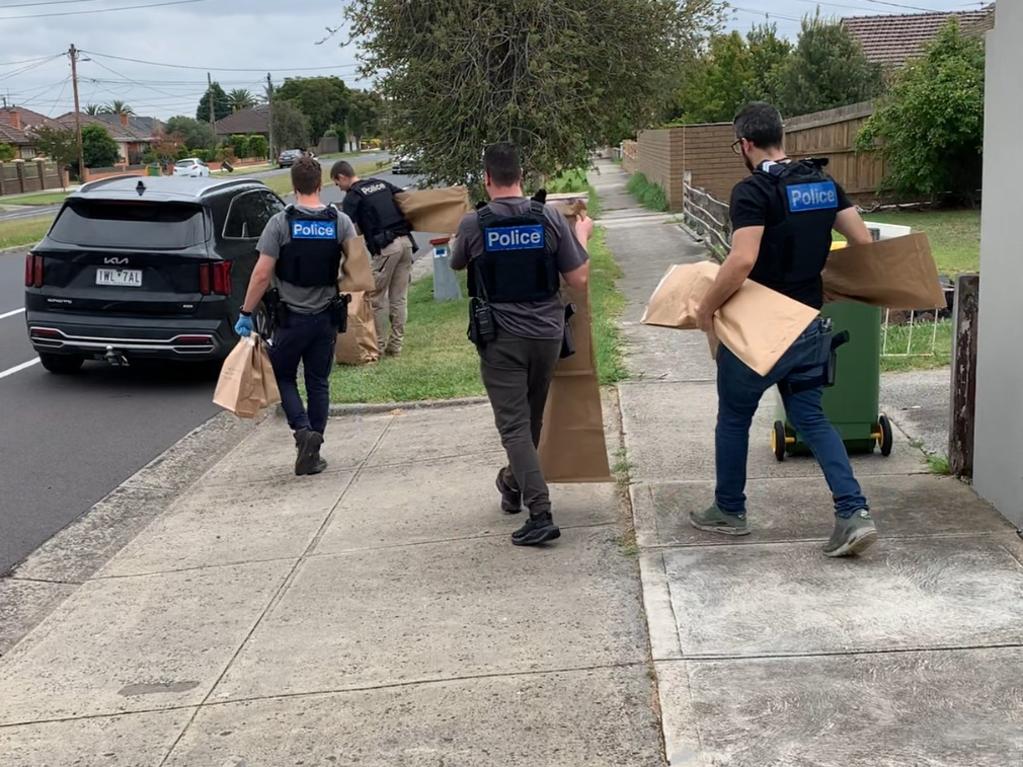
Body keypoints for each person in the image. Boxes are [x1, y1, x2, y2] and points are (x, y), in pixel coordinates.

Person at [691, 101, 878, 557]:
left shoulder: (753, 191)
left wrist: (705, 310)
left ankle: (729, 511)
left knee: (734, 418)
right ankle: (853, 513)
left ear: (745, 144)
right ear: (782, 137)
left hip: (760, 327)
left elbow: (742, 260)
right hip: (809, 323)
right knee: (812, 418)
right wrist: (822, 279)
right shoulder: (822, 182)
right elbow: (862, 241)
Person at [450, 142, 593, 546]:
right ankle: (512, 483)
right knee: (529, 421)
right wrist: (581, 235)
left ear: (487, 178)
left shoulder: (473, 223)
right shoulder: (547, 216)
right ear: (521, 175)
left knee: (514, 427)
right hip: (547, 335)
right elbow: (578, 278)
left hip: (501, 340)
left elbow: (457, 262)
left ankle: (540, 512)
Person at [235, 156, 357, 476]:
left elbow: (262, 274)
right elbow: (358, 268)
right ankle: (313, 448)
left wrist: (246, 312)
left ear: (293, 186)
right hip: (326, 318)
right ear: (320, 184)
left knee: (283, 376)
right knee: (318, 381)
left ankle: (302, 432)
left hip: (290, 319)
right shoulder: (339, 221)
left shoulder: (281, 223)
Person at [330, 160, 415, 357]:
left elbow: (345, 227)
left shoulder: (353, 196)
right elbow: (405, 198)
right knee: (399, 298)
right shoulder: (381, 184)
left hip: (387, 249)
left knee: (374, 298)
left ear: (342, 177)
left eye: (337, 183)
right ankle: (396, 346)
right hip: (406, 243)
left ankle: (377, 343)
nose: (339, 188)